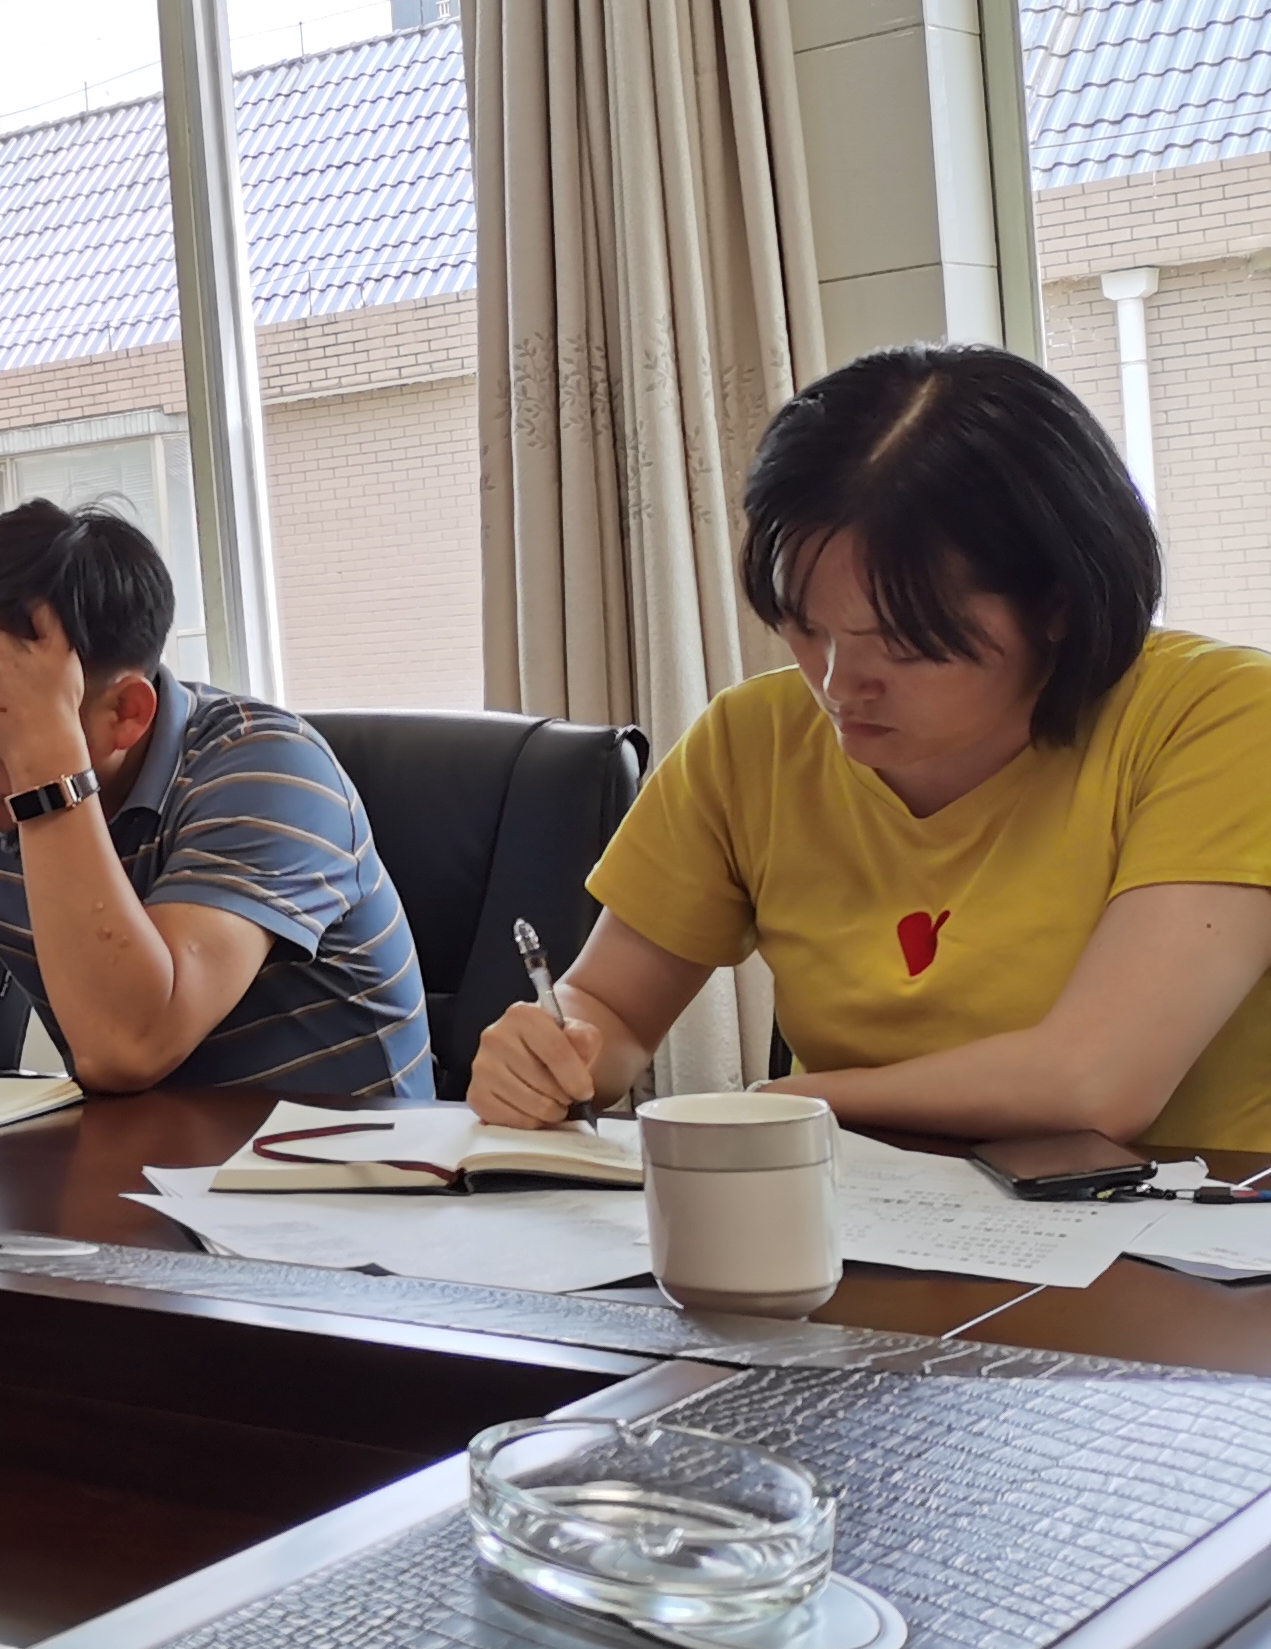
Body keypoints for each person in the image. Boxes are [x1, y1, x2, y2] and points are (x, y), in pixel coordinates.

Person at [469, 343, 1271, 1148]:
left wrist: (788, 1101)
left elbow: (1095, 1084)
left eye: (903, 645)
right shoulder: (752, 740)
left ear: (1057, 603)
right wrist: (551, 1054)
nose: (838, 686)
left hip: (1180, 1214)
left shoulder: (1221, 716)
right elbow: (611, 1009)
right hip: (863, 1207)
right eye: (805, 627)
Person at [0, 500, 432, 1098]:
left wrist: (43, 763)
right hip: (140, 1164)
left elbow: (126, 1047)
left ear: (127, 713)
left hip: (355, 1166)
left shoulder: (271, 772)